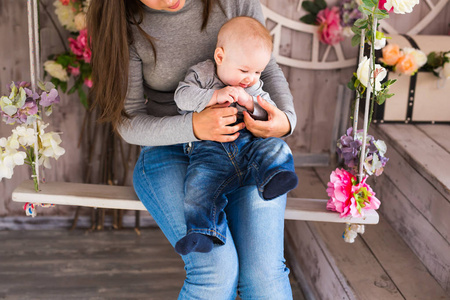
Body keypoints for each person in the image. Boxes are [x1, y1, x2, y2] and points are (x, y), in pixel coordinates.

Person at [87, 0, 297, 299]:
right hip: (169, 151)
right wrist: (195, 127)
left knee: (264, 276)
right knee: (215, 271)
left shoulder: (235, 3)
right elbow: (128, 121)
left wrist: (286, 121)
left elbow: (267, 69)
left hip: (246, 147)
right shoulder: (123, 21)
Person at [173, 16, 298, 256]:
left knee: (275, 147)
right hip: (209, 150)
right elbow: (182, 97)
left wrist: (251, 103)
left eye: (257, 71)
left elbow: (269, 110)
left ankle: (275, 175)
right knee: (198, 187)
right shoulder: (203, 73)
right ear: (220, 57)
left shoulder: (253, 86)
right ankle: (202, 232)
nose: (250, 78)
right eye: (244, 70)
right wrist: (213, 97)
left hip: (249, 144)